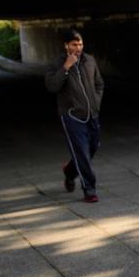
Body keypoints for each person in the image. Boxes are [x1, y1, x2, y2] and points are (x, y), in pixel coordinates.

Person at [45, 29, 104, 203]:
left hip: (92, 114)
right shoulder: (57, 63)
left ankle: (70, 171)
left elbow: (99, 84)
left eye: (80, 44)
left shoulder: (90, 60)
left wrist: (96, 104)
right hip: (72, 117)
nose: (78, 48)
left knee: (93, 147)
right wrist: (66, 67)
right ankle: (90, 190)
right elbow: (51, 86)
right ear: (66, 46)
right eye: (74, 44)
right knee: (82, 153)